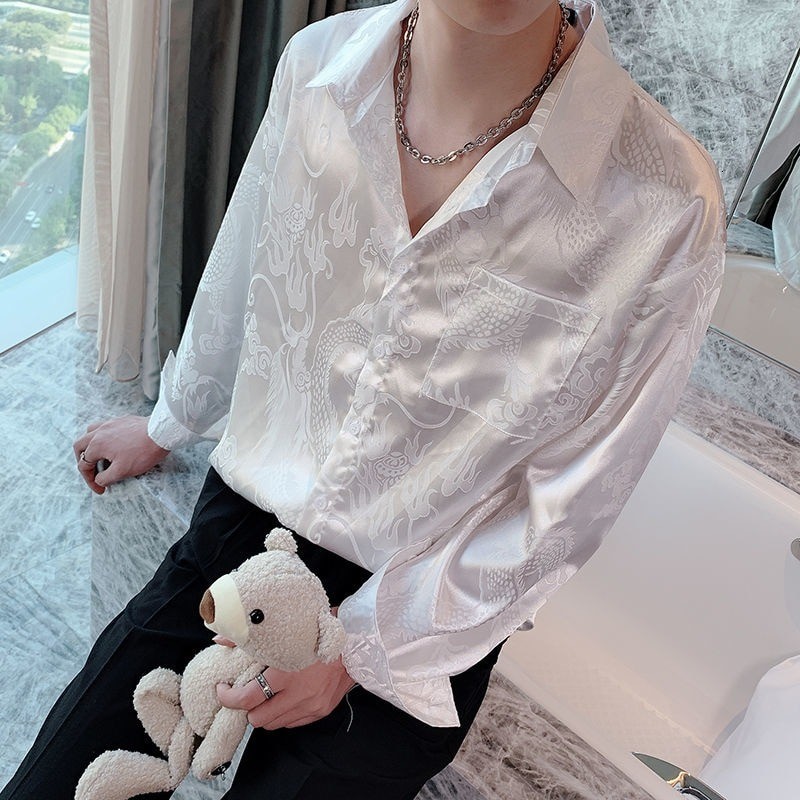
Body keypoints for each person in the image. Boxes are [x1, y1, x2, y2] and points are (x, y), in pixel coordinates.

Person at [2, 0, 726, 798]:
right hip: (246, 530)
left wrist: (360, 649)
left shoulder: (666, 198)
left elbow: (568, 505)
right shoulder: (319, 68)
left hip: (427, 605)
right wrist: (169, 421)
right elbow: (246, 268)